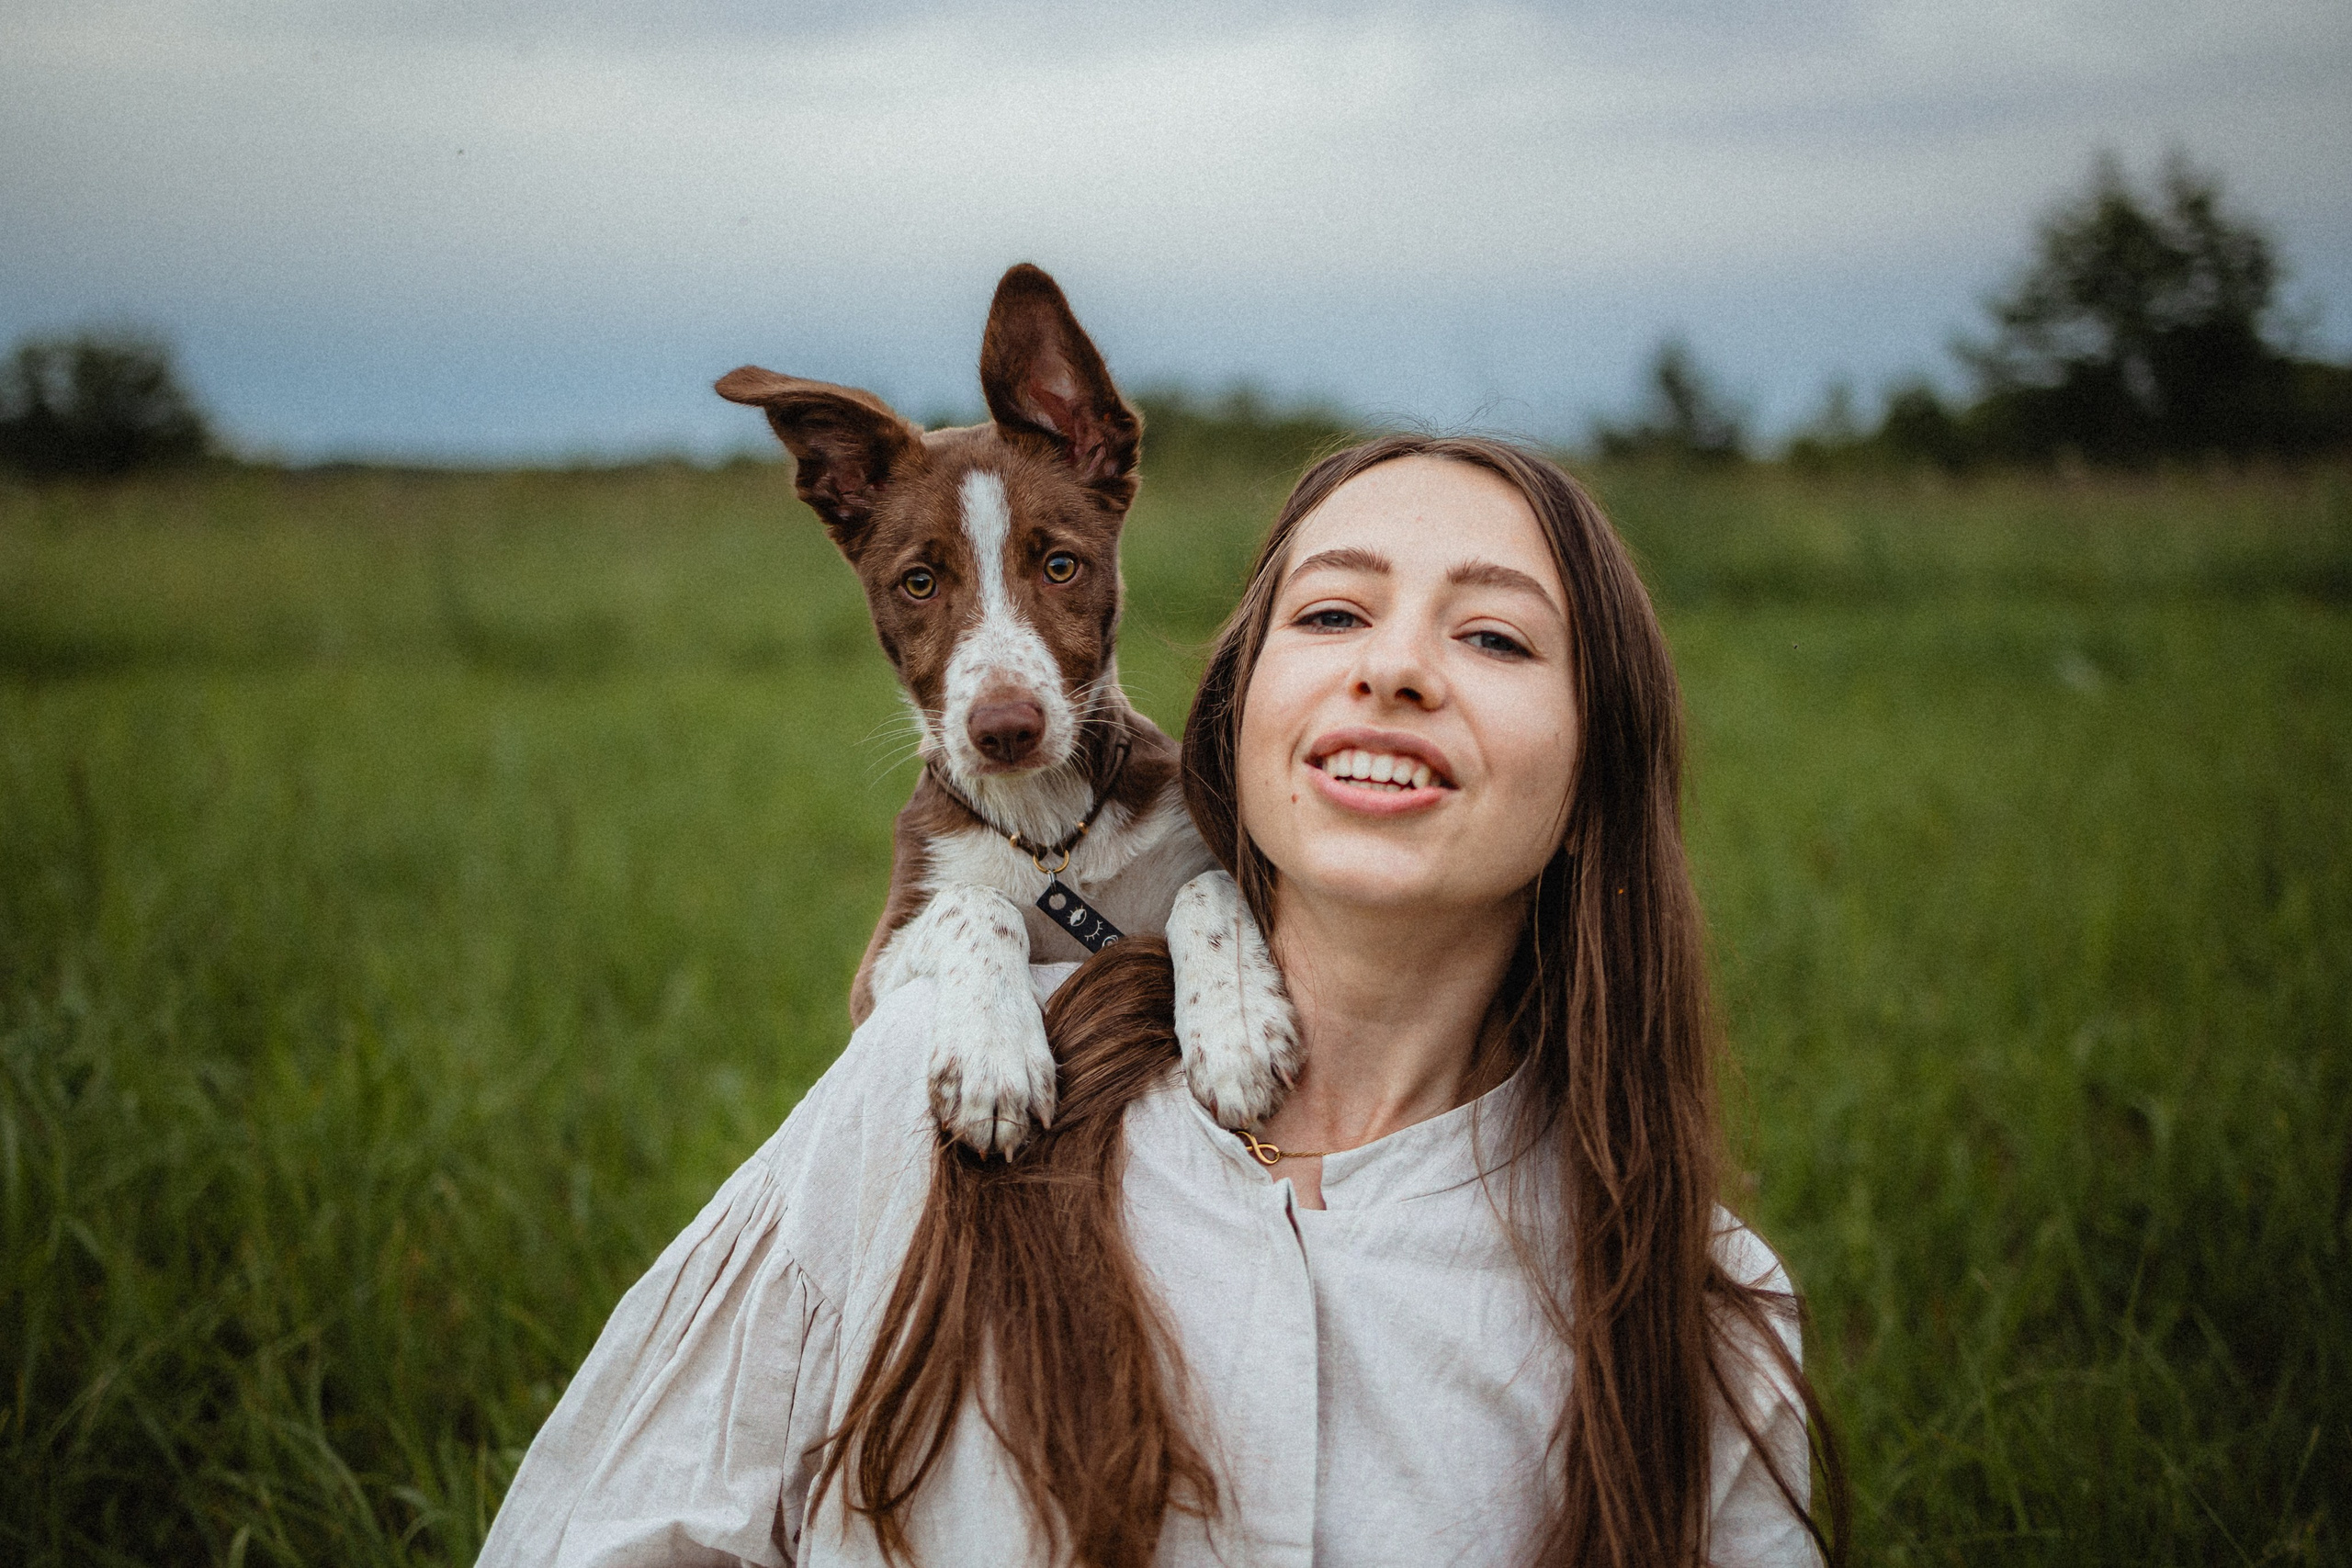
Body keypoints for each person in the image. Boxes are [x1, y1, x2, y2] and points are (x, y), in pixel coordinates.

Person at [479, 434, 1844, 1568]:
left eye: (1493, 635)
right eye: (1332, 614)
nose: (1395, 668)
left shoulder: (1700, 1314)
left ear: (1603, 762)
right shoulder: (916, 1093)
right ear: (1235, 708)